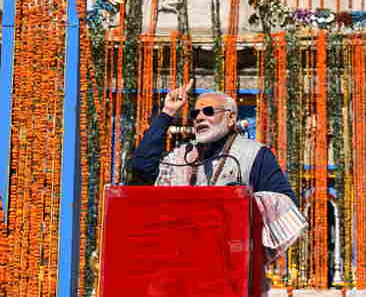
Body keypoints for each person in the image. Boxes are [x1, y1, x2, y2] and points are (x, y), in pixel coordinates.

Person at [127, 81, 305, 255]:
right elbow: (142, 168)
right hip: (181, 259)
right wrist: (168, 112)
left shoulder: (256, 154)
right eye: (195, 113)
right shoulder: (184, 155)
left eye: (209, 111)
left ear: (230, 118)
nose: (199, 117)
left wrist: (239, 203)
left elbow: (287, 206)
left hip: (231, 263)